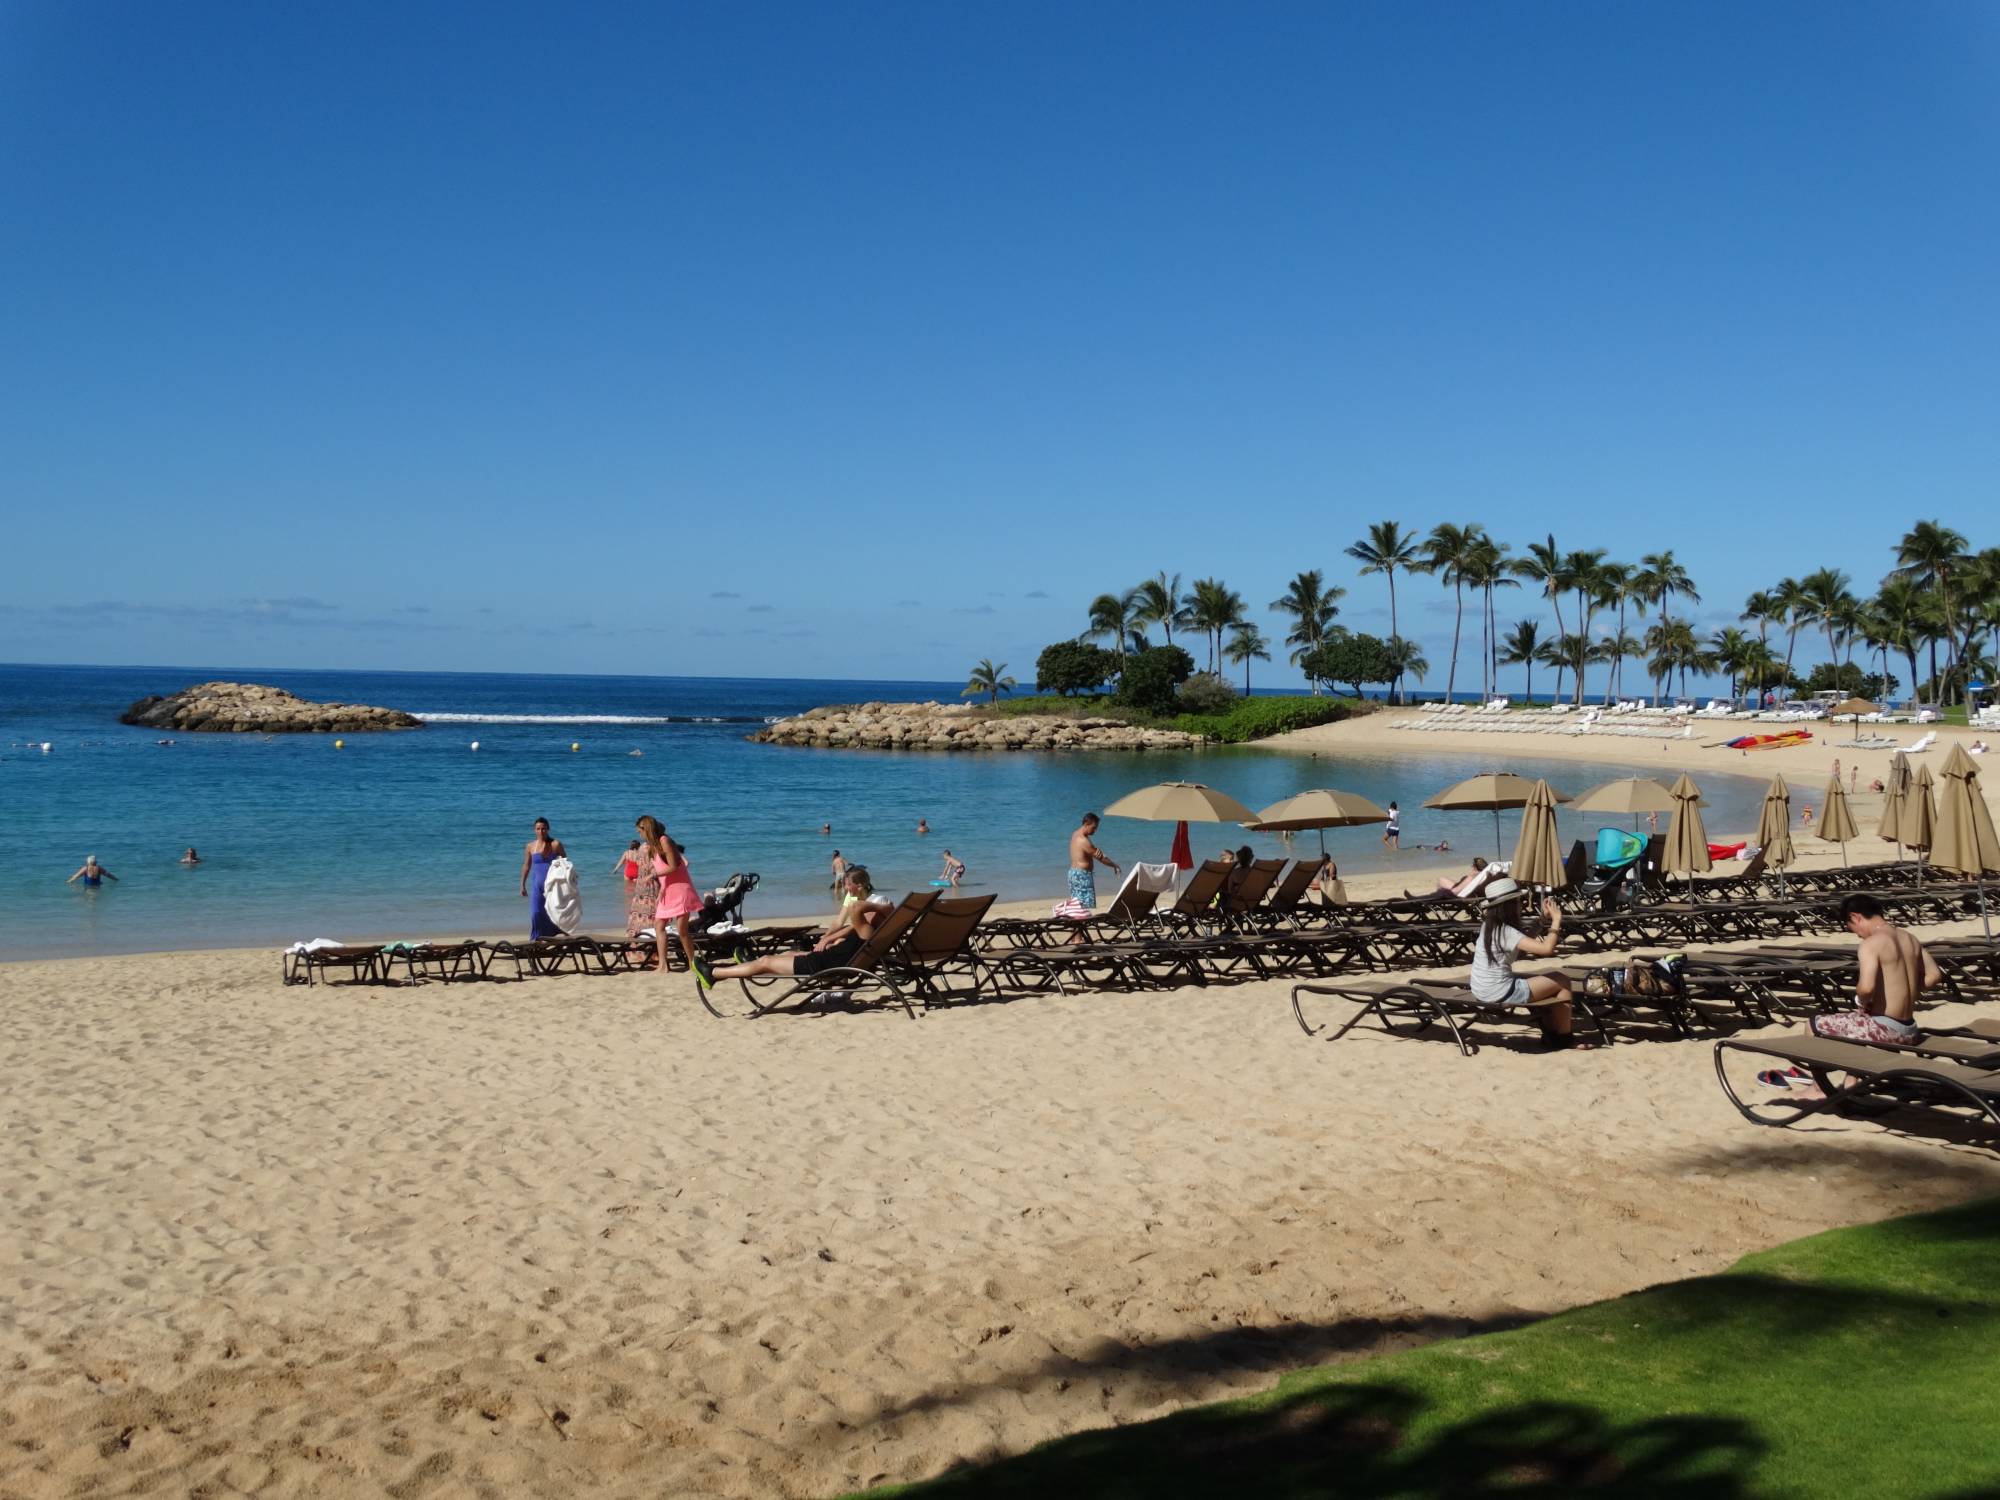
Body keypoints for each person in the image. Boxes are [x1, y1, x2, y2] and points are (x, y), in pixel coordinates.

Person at [706, 867, 891, 984]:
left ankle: (713, 972)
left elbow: (856, 914)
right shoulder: (866, 931)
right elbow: (848, 920)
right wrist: (826, 938)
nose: (845, 889)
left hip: (832, 962)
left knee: (766, 962)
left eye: (848, 885)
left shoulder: (871, 913)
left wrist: (832, 939)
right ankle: (747, 965)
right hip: (837, 957)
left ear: (860, 885)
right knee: (783, 955)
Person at [1469, 878, 1585, 1048]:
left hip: (1481, 989)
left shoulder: (1489, 926)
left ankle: (1551, 1033)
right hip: (1500, 992)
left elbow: (1522, 947)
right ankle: (1565, 1039)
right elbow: (1546, 949)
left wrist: (1541, 922)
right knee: (1562, 981)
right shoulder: (1506, 931)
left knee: (1546, 982)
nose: (1520, 905)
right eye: (1517, 901)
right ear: (1508, 905)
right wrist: (1556, 920)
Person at [1814, 893, 1941, 1044]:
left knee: (1813, 1024)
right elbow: (1934, 975)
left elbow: (1866, 988)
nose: (1858, 935)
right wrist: (1905, 993)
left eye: (1853, 929)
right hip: (1910, 1029)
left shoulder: (1872, 943)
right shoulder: (1910, 938)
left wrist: (1861, 1001)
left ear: (1855, 917)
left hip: (1885, 1029)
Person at [637, 814, 707, 981]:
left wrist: (653, 875)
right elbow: (665, 871)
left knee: (682, 930)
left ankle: (692, 963)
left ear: (646, 829)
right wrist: (661, 888)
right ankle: (663, 965)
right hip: (667, 891)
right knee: (658, 925)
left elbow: (674, 867)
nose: (639, 835)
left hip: (681, 890)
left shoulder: (664, 841)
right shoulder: (653, 846)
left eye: (640, 831)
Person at [1064, 812, 1120, 915]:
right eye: (1093, 828)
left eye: (1096, 828)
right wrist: (1114, 865)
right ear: (1086, 824)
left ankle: (1078, 931)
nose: (1095, 830)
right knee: (1083, 908)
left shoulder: (1075, 834)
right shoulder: (1084, 840)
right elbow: (1101, 857)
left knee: (1078, 909)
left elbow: (1091, 851)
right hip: (1082, 876)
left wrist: (1094, 849)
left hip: (1073, 874)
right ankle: (1079, 931)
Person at [519, 818, 566, 939]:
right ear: (534, 830)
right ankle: (537, 938)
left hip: (552, 886)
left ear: (548, 829)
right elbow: (526, 865)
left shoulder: (555, 844)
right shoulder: (530, 846)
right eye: (538, 829)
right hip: (537, 886)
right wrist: (522, 885)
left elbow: (565, 863)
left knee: (552, 913)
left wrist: (567, 883)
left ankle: (552, 935)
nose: (541, 831)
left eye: (543, 828)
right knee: (536, 913)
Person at [616, 839, 661, 944]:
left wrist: (615, 869)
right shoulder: (644, 852)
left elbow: (621, 862)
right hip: (641, 877)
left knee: (628, 890)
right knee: (635, 891)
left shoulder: (628, 852)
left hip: (631, 876)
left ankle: (635, 938)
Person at [1414, 856, 1488, 900]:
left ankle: (1416, 899)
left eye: (1472, 866)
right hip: (1466, 892)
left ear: (1475, 867)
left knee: (1438, 891)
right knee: (1441, 880)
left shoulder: (1472, 877)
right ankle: (1431, 898)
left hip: (1458, 895)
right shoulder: (1484, 876)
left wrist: (1443, 892)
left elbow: (1455, 892)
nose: (1471, 867)